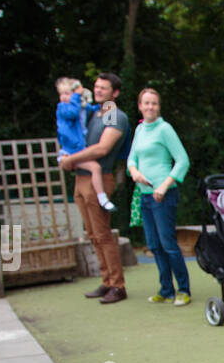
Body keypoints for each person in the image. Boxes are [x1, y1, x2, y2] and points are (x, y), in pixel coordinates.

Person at [60, 73, 131, 304]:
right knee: (92, 235)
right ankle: (107, 281)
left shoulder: (113, 114)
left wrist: (71, 160)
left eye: (104, 88)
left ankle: (118, 286)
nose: (99, 91)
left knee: (102, 234)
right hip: (81, 178)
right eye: (97, 87)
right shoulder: (92, 114)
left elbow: (102, 149)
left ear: (115, 93)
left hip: (98, 179)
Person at [127, 87, 192, 306]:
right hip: (145, 196)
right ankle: (166, 289)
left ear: (159, 106)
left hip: (163, 196)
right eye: (146, 103)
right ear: (140, 106)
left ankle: (183, 289)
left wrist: (164, 186)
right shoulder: (139, 130)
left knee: (168, 244)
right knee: (154, 245)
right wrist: (135, 173)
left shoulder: (165, 129)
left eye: (154, 103)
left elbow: (182, 160)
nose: (150, 107)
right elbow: (131, 159)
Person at [54, 77, 114, 211]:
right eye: (61, 94)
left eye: (67, 93)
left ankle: (102, 197)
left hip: (78, 149)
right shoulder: (62, 108)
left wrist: (102, 106)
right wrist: (76, 95)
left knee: (95, 168)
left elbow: (91, 109)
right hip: (71, 150)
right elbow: (73, 113)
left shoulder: (78, 105)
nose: (64, 97)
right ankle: (102, 198)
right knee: (95, 168)